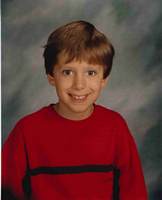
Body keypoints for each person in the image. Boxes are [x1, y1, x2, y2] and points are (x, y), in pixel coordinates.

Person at [2, 20, 148, 200]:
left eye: (91, 73)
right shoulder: (27, 131)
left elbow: (134, 193)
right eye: (68, 72)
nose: (79, 85)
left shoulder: (115, 127)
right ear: (51, 77)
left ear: (104, 79)